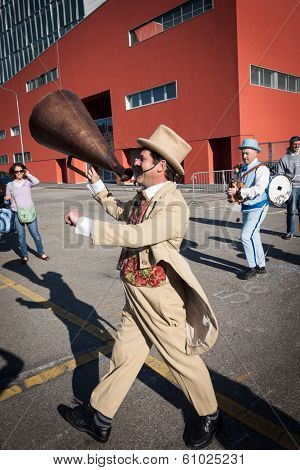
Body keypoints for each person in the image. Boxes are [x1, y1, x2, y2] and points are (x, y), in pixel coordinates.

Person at [63, 125, 221, 449]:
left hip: (160, 298)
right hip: (135, 293)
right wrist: (96, 185)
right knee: (124, 354)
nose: (135, 162)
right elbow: (124, 214)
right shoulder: (143, 197)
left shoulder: (174, 206)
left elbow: (137, 235)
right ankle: (100, 419)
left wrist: (85, 225)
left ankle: (210, 413)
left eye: (142, 157)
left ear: (161, 166)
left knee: (180, 359)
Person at [228, 138, 270, 280]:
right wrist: (232, 188)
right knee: (254, 235)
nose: (244, 156)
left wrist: (238, 192)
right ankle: (261, 265)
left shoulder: (262, 168)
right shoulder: (241, 168)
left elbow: (258, 190)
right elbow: (236, 184)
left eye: (247, 153)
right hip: (247, 206)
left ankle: (253, 267)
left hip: (258, 206)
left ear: (255, 153)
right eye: (243, 153)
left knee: (246, 236)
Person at [5, 163, 49, 264]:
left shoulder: (27, 182)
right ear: (13, 173)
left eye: (21, 171)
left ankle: (41, 252)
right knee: (21, 236)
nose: (19, 173)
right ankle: (25, 255)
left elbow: (37, 182)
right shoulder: (10, 185)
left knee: (35, 234)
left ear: (23, 171)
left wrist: (28, 174)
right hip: (17, 213)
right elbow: (7, 196)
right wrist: (6, 198)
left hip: (30, 212)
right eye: (16, 171)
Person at [277, 135, 300, 239]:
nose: (297, 146)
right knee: (291, 211)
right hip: (292, 188)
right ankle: (290, 232)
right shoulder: (284, 158)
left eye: (299, 144)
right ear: (290, 145)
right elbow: (280, 174)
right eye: (295, 144)